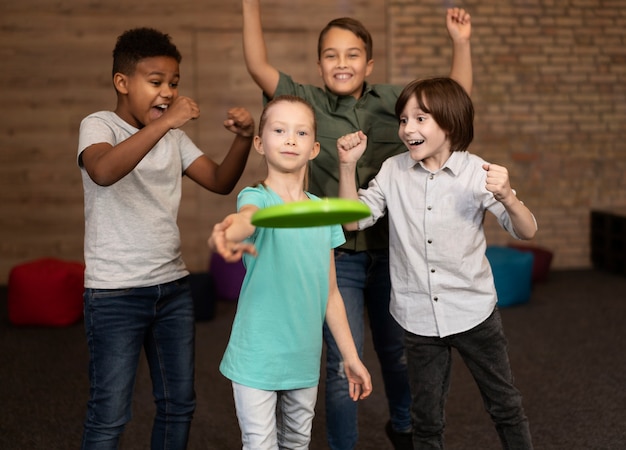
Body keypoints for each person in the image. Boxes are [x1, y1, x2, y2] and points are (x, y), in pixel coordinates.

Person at [241, 1, 472, 448]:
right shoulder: (304, 100)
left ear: (369, 63)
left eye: (352, 54)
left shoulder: (392, 102)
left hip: (392, 253)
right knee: (340, 362)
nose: (341, 62)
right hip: (337, 255)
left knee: (397, 354)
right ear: (318, 63)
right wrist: (251, 6)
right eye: (331, 54)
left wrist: (460, 44)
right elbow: (257, 65)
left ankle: (403, 426)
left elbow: (453, 104)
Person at [77, 27, 255, 449]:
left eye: (174, 83)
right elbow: (103, 172)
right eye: (156, 82)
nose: (168, 92)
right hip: (115, 294)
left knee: (179, 405)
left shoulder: (173, 137)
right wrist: (168, 123)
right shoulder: (99, 125)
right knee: (110, 414)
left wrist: (244, 139)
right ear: (122, 82)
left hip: (172, 289)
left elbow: (219, 180)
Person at [336, 77, 536, 449]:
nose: (407, 128)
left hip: (473, 312)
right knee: (425, 421)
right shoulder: (394, 171)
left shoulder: (477, 173)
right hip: (417, 318)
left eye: (420, 118)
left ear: (450, 123)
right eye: (403, 120)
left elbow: (526, 230)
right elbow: (352, 220)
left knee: (505, 406)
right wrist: (347, 166)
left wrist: (507, 195)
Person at [208, 95, 373, 450]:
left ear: (313, 149)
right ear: (259, 143)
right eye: (279, 130)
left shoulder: (322, 212)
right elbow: (245, 219)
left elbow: (330, 293)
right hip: (256, 354)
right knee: (260, 444)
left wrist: (351, 356)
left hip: (303, 356)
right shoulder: (257, 197)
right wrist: (229, 231)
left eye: (300, 133)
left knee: (298, 442)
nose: (289, 139)